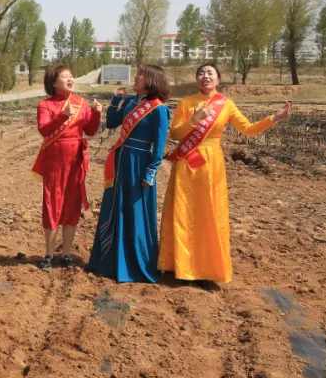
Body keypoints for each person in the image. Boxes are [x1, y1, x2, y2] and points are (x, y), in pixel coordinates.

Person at [158, 62, 291, 286]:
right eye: (201, 73)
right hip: (187, 163)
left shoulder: (226, 104)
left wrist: (275, 118)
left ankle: (207, 269)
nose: (205, 76)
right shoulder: (186, 103)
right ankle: (181, 267)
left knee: (209, 214)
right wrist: (194, 120)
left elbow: (248, 128)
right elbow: (175, 134)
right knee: (185, 213)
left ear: (218, 79)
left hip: (211, 165)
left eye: (210, 73)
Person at [87, 64, 172, 283]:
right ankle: (108, 261)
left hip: (139, 163)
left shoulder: (159, 108)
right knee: (114, 207)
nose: (136, 77)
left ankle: (136, 264)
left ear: (152, 80)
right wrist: (116, 100)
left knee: (134, 211)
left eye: (141, 75)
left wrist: (151, 172)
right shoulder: (132, 101)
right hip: (120, 160)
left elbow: (159, 144)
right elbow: (112, 123)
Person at [31, 65, 102, 271]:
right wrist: (63, 115)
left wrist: (96, 114)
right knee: (52, 203)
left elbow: (90, 130)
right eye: (65, 77)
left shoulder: (81, 103)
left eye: (71, 76)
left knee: (72, 206)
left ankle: (66, 253)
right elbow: (44, 129)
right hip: (54, 161)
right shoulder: (45, 105)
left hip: (76, 161)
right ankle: (49, 253)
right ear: (54, 83)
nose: (70, 79)